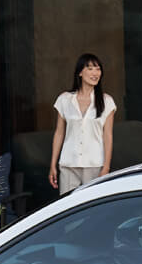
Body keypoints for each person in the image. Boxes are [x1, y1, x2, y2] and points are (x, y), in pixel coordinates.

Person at [49, 53, 117, 195]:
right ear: (80, 72)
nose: (95, 73)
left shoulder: (107, 101)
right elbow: (59, 133)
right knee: (66, 208)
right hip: (68, 164)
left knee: (93, 208)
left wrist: (106, 168)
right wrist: (53, 164)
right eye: (90, 68)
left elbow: (108, 136)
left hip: (95, 165)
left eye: (98, 69)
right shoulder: (65, 99)